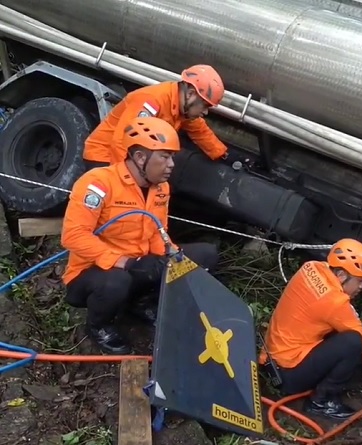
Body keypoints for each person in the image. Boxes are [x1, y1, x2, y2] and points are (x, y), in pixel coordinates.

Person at [61, 116, 219, 355]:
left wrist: (172, 253)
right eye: (164, 157)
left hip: (137, 264)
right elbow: (73, 236)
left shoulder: (161, 188)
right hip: (92, 275)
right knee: (117, 281)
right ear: (140, 157)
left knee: (205, 255)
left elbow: (158, 231)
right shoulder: (98, 183)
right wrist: (121, 261)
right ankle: (99, 326)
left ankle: (140, 303)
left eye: (172, 157)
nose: (171, 165)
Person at [260, 238, 362, 420]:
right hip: (289, 374)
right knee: (354, 342)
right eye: (360, 281)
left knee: (341, 336)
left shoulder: (313, 267)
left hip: (272, 359)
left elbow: (349, 266)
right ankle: (321, 402)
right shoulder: (334, 303)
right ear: (341, 276)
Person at [82, 64, 243, 169]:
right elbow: (123, 143)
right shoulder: (152, 101)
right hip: (104, 158)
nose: (206, 112)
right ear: (192, 94)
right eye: (205, 105)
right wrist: (126, 182)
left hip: (131, 162)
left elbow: (200, 131)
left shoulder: (183, 109)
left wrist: (224, 154)